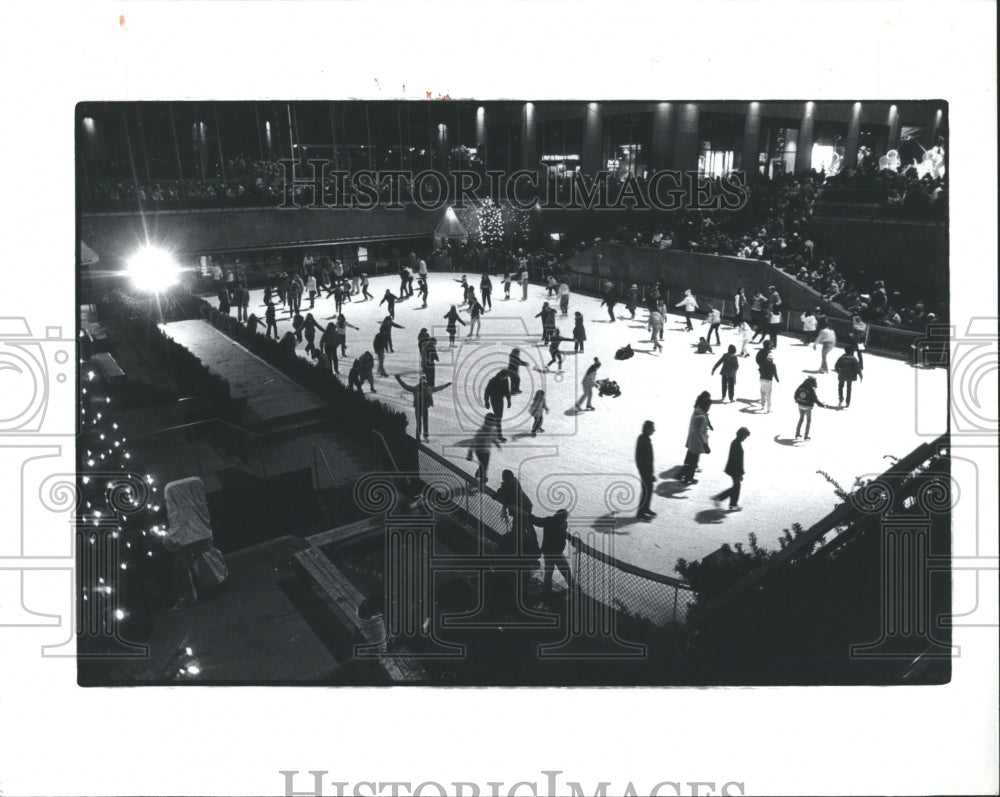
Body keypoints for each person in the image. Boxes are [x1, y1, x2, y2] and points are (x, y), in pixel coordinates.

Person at [529, 508, 573, 597]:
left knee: (553, 570)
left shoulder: (554, 522)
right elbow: (563, 534)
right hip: (553, 552)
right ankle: (573, 589)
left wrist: (527, 516)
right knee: (562, 570)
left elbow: (537, 521)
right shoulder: (557, 522)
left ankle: (546, 591)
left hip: (552, 552)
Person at [496, 469, 539, 560]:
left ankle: (527, 549)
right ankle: (532, 547)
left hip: (522, 508)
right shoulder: (514, 482)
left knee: (520, 526)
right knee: (525, 525)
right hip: (525, 506)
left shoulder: (510, 484)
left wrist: (499, 492)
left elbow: (507, 496)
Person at [395, 373, 451, 442]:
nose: (423, 384)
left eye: (424, 382)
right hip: (418, 408)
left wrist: (445, 385)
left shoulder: (429, 389)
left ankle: (426, 436)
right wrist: (399, 379)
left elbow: (438, 388)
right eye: (422, 382)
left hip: (424, 408)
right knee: (419, 423)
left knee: (425, 423)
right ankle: (418, 437)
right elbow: (405, 386)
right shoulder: (415, 388)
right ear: (420, 382)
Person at [712, 427, 750, 511]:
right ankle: (720, 498)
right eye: (745, 436)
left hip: (733, 469)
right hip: (734, 469)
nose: (745, 438)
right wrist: (740, 473)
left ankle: (732, 504)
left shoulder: (735, 442)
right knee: (737, 486)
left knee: (736, 486)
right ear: (741, 435)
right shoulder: (736, 444)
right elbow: (738, 460)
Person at [679, 393, 712, 484]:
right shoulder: (700, 416)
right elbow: (699, 432)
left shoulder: (698, 411)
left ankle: (684, 476)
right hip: (696, 443)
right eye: (708, 406)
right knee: (693, 462)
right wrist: (705, 445)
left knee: (692, 461)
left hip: (693, 441)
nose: (709, 408)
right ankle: (687, 478)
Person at [467, 413, 502, 486]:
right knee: (484, 465)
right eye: (493, 421)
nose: (495, 423)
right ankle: (483, 479)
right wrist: (470, 452)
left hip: (486, 451)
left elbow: (493, 438)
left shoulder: (493, 429)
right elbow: (474, 441)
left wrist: (497, 443)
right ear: (487, 421)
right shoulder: (481, 431)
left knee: (484, 465)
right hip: (479, 451)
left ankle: (478, 474)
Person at [635, 420, 656, 520]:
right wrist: (647, 472)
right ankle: (641, 511)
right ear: (648, 429)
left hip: (647, 470)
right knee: (646, 490)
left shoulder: (644, 438)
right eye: (652, 428)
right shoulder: (643, 440)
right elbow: (641, 458)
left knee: (649, 489)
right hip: (645, 470)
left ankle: (646, 508)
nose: (654, 430)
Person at [794, 376, 826, 440]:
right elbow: (815, 399)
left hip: (800, 406)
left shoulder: (801, 385)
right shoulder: (811, 388)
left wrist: (799, 401)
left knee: (801, 419)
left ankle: (797, 434)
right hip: (807, 407)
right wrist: (822, 405)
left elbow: (795, 395)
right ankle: (806, 436)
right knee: (808, 421)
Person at [484, 370, 512, 441]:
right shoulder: (492, 381)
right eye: (506, 376)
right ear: (502, 375)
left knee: (499, 417)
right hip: (494, 400)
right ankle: (499, 435)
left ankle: (492, 428)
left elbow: (507, 391)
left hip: (500, 400)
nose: (507, 377)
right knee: (498, 418)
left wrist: (509, 400)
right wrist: (486, 401)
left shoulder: (506, 380)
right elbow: (487, 391)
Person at [756, 340, 779, 413]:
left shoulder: (760, 352)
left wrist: (760, 365)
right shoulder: (772, 364)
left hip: (762, 375)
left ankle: (762, 404)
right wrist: (777, 379)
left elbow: (757, 359)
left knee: (762, 390)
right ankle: (769, 408)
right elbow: (774, 373)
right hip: (769, 379)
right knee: (769, 393)